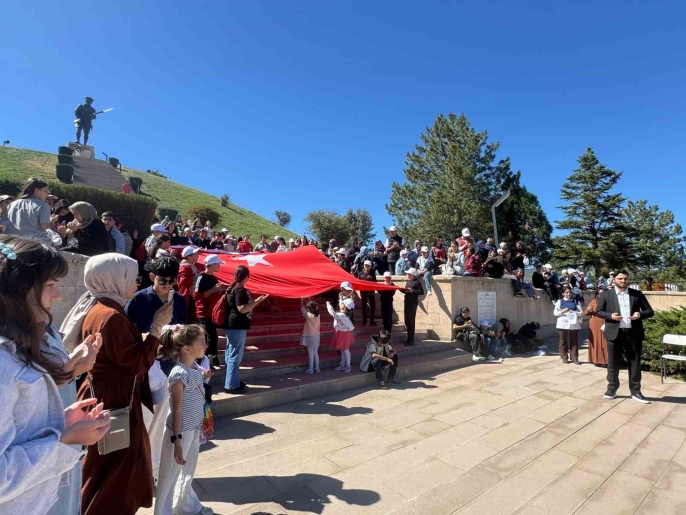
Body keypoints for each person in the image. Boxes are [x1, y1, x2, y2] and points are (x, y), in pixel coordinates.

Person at [0, 236, 111, 515]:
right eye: (50, 285)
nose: (58, 295)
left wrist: (57, 423)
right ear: (17, 287)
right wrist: (64, 441)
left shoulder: (22, 340)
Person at [59, 253, 173, 515]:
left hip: (107, 394)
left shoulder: (101, 307)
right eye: (132, 277)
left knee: (105, 466)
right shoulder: (110, 315)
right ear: (114, 279)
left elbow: (119, 353)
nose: (137, 282)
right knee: (116, 471)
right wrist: (157, 328)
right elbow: (136, 364)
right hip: (115, 399)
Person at [154, 325, 214, 515]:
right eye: (202, 342)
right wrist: (177, 442)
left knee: (187, 471)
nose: (205, 345)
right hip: (179, 433)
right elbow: (177, 411)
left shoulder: (195, 367)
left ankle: (187, 506)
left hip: (193, 429)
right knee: (168, 476)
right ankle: (163, 512)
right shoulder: (178, 374)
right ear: (187, 349)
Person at [596, 270, 654, 403]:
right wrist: (611, 316)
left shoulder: (637, 294)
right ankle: (611, 389)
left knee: (635, 362)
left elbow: (650, 311)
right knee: (613, 362)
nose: (623, 281)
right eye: (620, 278)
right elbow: (599, 311)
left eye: (625, 279)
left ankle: (636, 392)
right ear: (614, 279)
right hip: (614, 333)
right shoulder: (606, 294)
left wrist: (639, 315)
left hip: (633, 333)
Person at [222, 265, 268, 393]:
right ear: (247, 277)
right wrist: (257, 301)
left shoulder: (233, 288)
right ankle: (231, 385)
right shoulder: (239, 290)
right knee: (235, 355)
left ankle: (233, 380)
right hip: (237, 325)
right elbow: (242, 309)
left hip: (232, 325)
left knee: (231, 354)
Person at [195, 255, 226, 367]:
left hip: (211, 312)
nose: (219, 266)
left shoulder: (213, 278)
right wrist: (213, 290)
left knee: (212, 336)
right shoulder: (200, 277)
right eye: (218, 264)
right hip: (203, 313)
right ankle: (206, 359)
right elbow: (196, 296)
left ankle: (211, 356)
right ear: (212, 265)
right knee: (210, 336)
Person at [7, 178, 53, 244]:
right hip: (35, 243)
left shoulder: (12, 204)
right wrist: (51, 221)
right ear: (36, 191)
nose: (47, 195)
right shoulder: (43, 206)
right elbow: (45, 226)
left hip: (14, 242)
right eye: (45, 192)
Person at [554, 286, 584, 365]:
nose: (568, 294)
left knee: (574, 341)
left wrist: (573, 312)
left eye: (570, 292)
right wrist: (562, 311)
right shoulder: (560, 302)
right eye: (566, 292)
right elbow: (555, 313)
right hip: (563, 323)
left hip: (574, 323)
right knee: (563, 340)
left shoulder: (576, 301)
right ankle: (564, 357)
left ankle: (575, 358)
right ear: (563, 293)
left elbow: (581, 312)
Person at [327, 298, 355, 373]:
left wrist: (329, 305)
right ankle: (342, 364)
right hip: (343, 333)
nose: (340, 304)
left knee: (345, 350)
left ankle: (348, 366)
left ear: (344, 307)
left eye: (342, 304)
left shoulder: (341, 315)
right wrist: (340, 298)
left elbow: (333, 313)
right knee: (343, 350)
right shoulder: (345, 314)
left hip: (343, 334)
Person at [178, 246, 204, 323]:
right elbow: (183, 281)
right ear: (189, 257)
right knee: (188, 316)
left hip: (193, 295)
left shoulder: (193, 265)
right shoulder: (184, 267)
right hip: (188, 296)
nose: (197, 256)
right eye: (195, 255)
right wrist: (197, 278)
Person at [585, 288, 608, 366]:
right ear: (597, 294)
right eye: (599, 293)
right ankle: (596, 360)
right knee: (596, 341)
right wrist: (588, 310)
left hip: (606, 323)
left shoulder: (609, 301)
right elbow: (586, 313)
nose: (601, 295)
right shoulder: (593, 301)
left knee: (605, 342)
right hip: (595, 325)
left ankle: (606, 361)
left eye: (603, 293)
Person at [401, 268, 424, 346]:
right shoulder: (408, 282)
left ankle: (411, 340)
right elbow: (405, 291)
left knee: (411, 321)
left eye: (409, 274)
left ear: (412, 275)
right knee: (407, 321)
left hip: (412, 303)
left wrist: (413, 291)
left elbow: (422, 292)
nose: (407, 275)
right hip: (407, 302)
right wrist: (400, 289)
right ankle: (409, 339)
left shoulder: (417, 282)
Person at [300, 297, 321, 374]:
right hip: (317, 336)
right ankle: (317, 368)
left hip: (310, 336)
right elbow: (314, 305)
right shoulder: (318, 315)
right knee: (316, 353)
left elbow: (302, 308)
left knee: (311, 353)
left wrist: (302, 300)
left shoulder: (308, 315)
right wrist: (310, 299)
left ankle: (311, 369)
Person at [356, 260, 378, 326]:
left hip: (371, 292)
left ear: (370, 266)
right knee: (364, 307)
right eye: (365, 265)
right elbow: (358, 282)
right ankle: (364, 321)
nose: (366, 267)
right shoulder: (360, 273)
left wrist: (371, 279)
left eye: (368, 266)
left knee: (373, 306)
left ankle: (372, 321)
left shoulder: (372, 273)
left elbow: (375, 282)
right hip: (363, 293)